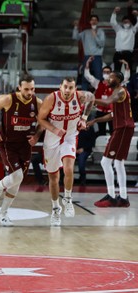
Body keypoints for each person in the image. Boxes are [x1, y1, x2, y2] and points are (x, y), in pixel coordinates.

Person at [0, 73, 43, 226]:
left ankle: (2, 213)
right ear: (19, 88)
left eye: (32, 89)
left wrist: (37, 135)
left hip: (25, 145)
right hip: (7, 144)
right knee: (17, 176)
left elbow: (43, 120)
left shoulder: (37, 102)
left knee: (17, 181)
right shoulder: (9, 99)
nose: (29, 92)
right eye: (26, 89)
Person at [37, 76, 94, 226]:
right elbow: (40, 119)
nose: (68, 90)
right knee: (53, 178)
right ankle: (56, 209)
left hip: (70, 137)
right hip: (52, 140)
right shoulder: (51, 99)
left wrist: (84, 118)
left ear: (75, 89)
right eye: (65, 87)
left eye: (71, 87)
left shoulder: (81, 96)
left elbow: (92, 98)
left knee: (69, 169)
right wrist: (55, 129)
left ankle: (68, 199)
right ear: (60, 87)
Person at [87, 71, 135, 208]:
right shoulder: (119, 93)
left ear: (118, 80)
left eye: (111, 76)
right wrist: (96, 119)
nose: (108, 78)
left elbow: (107, 101)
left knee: (105, 162)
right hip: (125, 128)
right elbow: (113, 114)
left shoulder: (120, 92)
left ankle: (112, 196)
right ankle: (123, 198)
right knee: (118, 163)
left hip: (123, 129)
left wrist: (90, 99)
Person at [84, 57, 130, 136]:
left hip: (112, 111)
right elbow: (88, 76)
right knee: (101, 131)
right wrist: (87, 63)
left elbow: (125, 78)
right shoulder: (97, 83)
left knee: (113, 130)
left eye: (108, 72)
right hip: (100, 111)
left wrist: (127, 65)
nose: (106, 74)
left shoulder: (119, 87)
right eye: (104, 72)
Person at [72, 15, 105, 90]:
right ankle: (84, 94)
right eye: (92, 20)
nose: (93, 21)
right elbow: (75, 37)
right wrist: (76, 27)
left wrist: (95, 35)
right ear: (90, 22)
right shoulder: (86, 32)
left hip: (97, 56)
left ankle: (98, 94)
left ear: (97, 22)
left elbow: (101, 44)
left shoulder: (101, 32)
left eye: (95, 20)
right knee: (85, 76)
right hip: (87, 56)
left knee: (98, 76)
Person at [110, 7, 138, 72]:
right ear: (122, 22)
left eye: (128, 21)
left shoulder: (133, 30)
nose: (126, 23)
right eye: (125, 22)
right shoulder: (118, 29)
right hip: (118, 53)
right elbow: (112, 22)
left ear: (130, 22)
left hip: (128, 53)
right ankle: (116, 82)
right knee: (117, 71)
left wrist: (137, 15)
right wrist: (114, 12)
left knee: (128, 71)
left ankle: (128, 82)